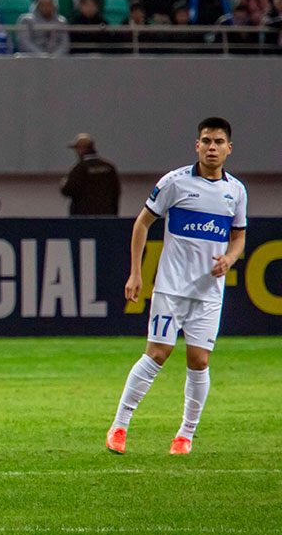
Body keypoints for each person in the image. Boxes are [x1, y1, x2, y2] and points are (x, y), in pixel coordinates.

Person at [106, 117, 247, 456]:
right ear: (197, 145)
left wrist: (230, 258)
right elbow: (142, 223)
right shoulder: (175, 182)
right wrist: (136, 273)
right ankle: (119, 426)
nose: (211, 147)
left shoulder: (236, 191)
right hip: (171, 289)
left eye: (218, 142)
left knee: (199, 361)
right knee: (157, 353)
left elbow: (239, 236)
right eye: (206, 141)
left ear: (229, 148)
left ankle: (185, 435)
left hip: (208, 293)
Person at [60, 133, 120, 214]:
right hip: (107, 215)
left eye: (77, 148)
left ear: (82, 149)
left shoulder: (80, 168)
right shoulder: (109, 167)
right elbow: (116, 191)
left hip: (83, 217)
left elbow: (67, 189)